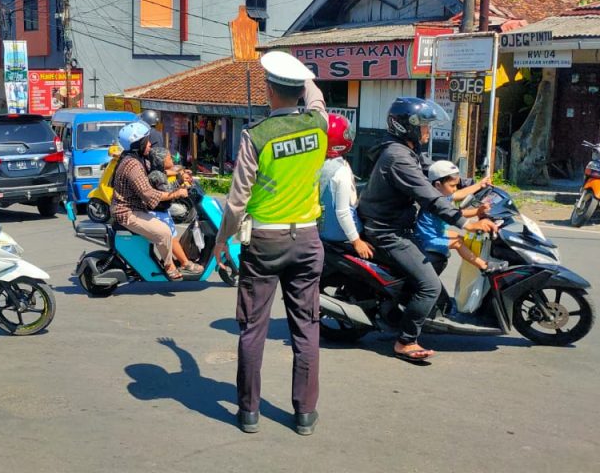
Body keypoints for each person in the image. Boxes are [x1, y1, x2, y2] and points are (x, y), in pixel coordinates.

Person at [212, 51, 328, 436]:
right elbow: (315, 96)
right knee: (306, 327)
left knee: (252, 328)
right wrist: (302, 73)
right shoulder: (320, 124)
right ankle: (305, 414)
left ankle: (248, 412)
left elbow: (237, 200)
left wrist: (220, 240)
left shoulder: (256, 136)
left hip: (264, 242)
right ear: (298, 90)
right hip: (308, 239)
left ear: (269, 91)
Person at [357, 97, 499, 364]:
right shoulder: (397, 157)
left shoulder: (407, 151)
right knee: (429, 285)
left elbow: (434, 173)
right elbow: (430, 197)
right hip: (388, 232)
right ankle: (405, 341)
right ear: (406, 127)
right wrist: (467, 223)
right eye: (424, 126)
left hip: (400, 226)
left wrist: (477, 185)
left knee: (434, 263)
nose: (427, 131)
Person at [111, 122, 190, 281]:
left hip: (137, 208)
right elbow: (148, 194)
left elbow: (154, 172)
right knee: (164, 232)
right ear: (137, 144)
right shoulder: (132, 165)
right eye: (146, 141)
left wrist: (178, 175)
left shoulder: (136, 158)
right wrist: (177, 193)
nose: (149, 145)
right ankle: (169, 266)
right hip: (127, 213)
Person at [416, 161, 495, 275]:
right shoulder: (436, 203)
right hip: (427, 239)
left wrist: (479, 185)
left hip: (433, 233)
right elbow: (456, 215)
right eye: (452, 185)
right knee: (457, 243)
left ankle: (473, 263)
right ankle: (484, 266)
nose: (455, 189)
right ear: (438, 185)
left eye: (456, 185)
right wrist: (476, 215)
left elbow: (460, 194)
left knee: (459, 237)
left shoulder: (440, 195)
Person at [318, 113, 372, 259]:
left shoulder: (316, 165)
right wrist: (357, 241)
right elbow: (342, 211)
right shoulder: (340, 170)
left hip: (321, 233)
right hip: (340, 235)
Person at [147, 147, 203, 275]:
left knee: (173, 237)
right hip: (157, 212)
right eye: (168, 157)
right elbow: (167, 191)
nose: (171, 159)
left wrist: (181, 180)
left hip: (161, 211)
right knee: (172, 237)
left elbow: (173, 178)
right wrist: (179, 185)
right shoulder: (156, 175)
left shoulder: (160, 173)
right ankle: (185, 263)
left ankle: (174, 261)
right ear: (161, 160)